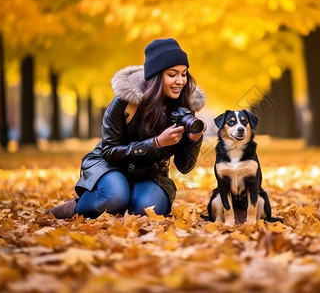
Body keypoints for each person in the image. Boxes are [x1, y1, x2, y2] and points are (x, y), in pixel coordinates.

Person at [46, 38, 206, 219]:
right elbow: (109, 151)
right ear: (156, 75)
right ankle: (75, 207)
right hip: (111, 165)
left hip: (151, 174)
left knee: (146, 210)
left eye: (184, 74)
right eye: (172, 74)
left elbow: (184, 168)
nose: (180, 81)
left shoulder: (184, 106)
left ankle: (123, 201)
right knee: (113, 197)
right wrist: (157, 143)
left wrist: (194, 140)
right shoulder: (127, 101)